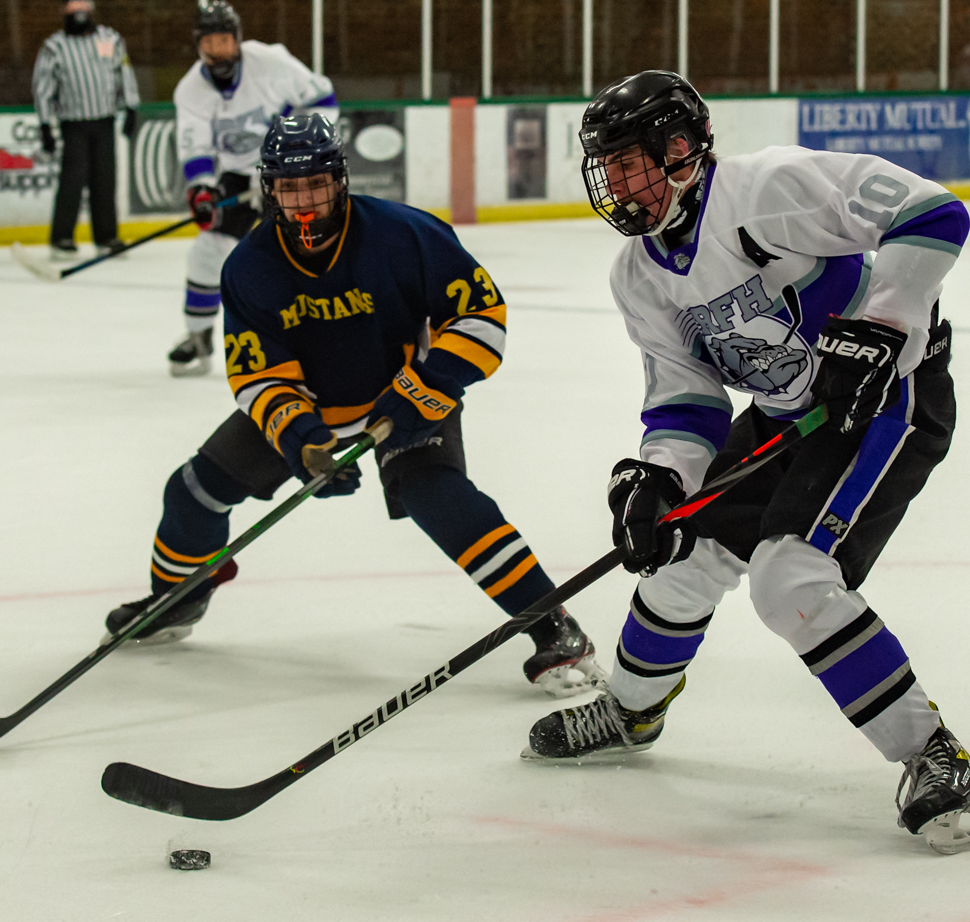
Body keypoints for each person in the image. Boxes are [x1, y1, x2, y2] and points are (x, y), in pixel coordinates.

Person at [522, 70, 970, 855]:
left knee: (791, 579)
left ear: (680, 151)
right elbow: (686, 401)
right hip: (786, 419)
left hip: (887, 401)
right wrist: (661, 480)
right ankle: (631, 711)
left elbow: (931, 211)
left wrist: (882, 326)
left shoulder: (766, 189)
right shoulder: (640, 274)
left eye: (629, 162)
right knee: (681, 562)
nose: (615, 184)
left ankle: (937, 758)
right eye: (606, 168)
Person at [103, 115, 604, 698]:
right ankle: (178, 597)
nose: (304, 202)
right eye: (290, 190)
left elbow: (480, 317)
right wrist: (302, 440)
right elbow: (259, 373)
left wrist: (426, 386)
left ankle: (552, 624)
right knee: (191, 491)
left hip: (409, 393)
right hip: (313, 404)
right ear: (270, 190)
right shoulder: (249, 266)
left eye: (315, 185)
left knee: (437, 496)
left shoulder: (403, 234)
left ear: (339, 180)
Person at [166, 0, 339, 376]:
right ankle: (198, 336)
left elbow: (323, 98)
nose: (219, 51)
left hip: (288, 171)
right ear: (198, 45)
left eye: (225, 41)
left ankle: (327, 333)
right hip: (238, 177)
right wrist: (202, 191)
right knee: (208, 252)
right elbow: (195, 147)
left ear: (238, 39)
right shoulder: (190, 91)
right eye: (210, 43)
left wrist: (296, 144)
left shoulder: (271, 62)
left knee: (306, 249)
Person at [31, 0, 140, 261]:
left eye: (83, 6)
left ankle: (106, 236)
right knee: (72, 180)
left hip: (104, 121)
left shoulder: (110, 39)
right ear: (64, 12)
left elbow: (123, 72)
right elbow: (43, 88)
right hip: (74, 124)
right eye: (72, 7)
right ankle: (62, 237)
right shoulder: (54, 47)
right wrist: (45, 125)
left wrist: (131, 107)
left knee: (105, 179)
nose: (78, 13)